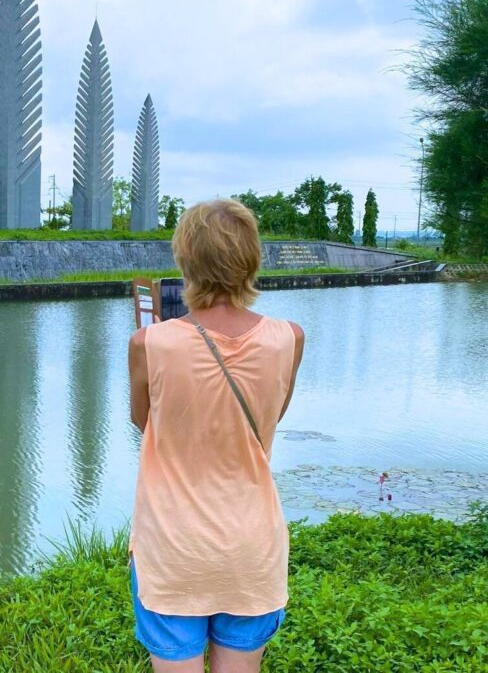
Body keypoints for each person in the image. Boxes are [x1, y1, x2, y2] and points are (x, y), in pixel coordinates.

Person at [127, 199, 306, 673]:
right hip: (252, 548)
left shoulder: (149, 342)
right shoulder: (290, 337)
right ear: (252, 259)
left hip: (172, 548)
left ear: (186, 259)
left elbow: (145, 421)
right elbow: (269, 420)